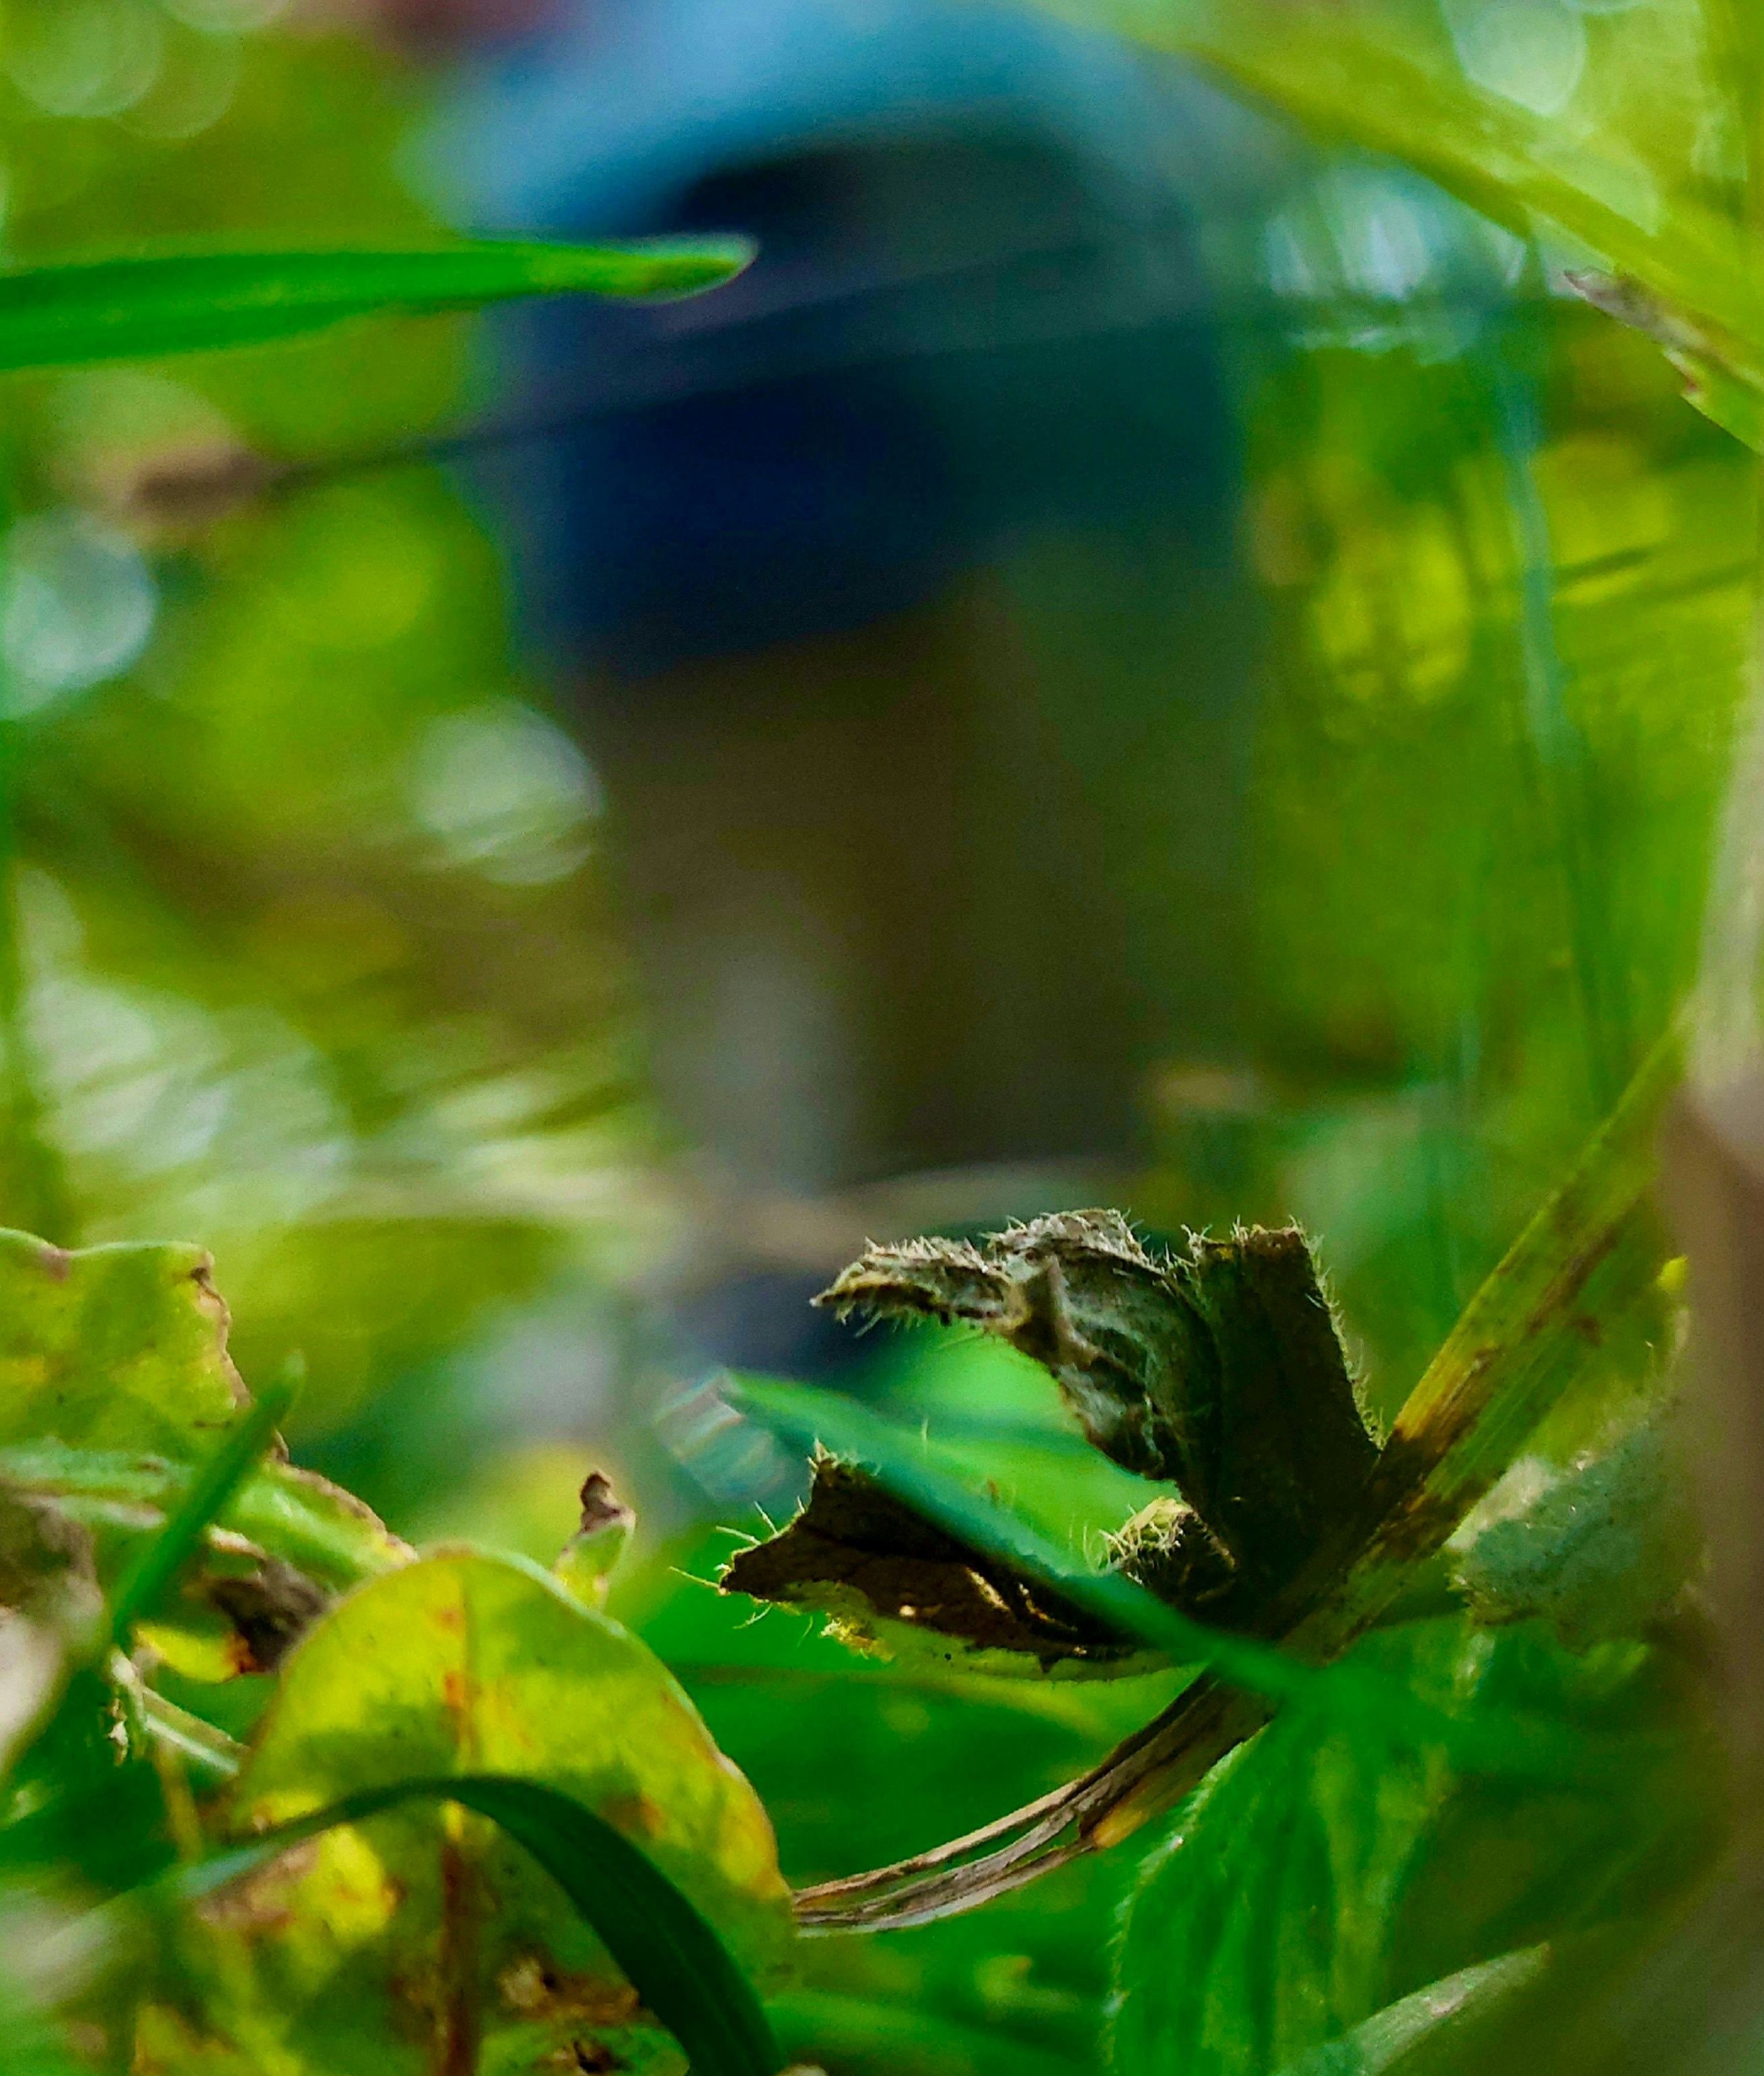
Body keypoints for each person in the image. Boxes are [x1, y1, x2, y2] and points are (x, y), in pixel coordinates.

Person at [354, 0, 1279, 1303]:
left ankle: (1116, 1414)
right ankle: (834, 1428)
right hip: (687, 260)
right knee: (804, 1032)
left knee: (1100, 1006)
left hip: (1039, 213)